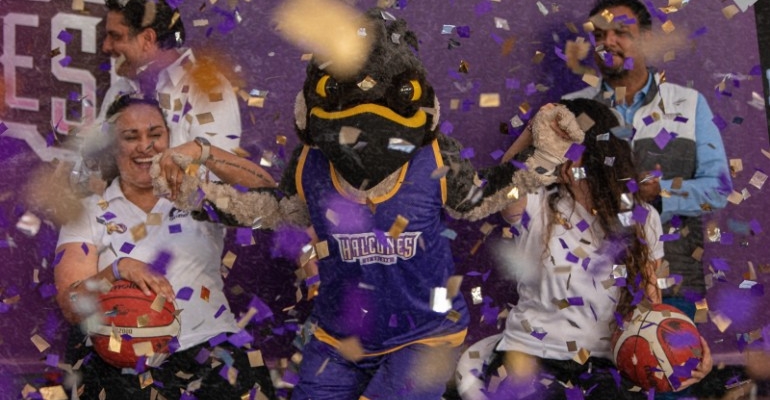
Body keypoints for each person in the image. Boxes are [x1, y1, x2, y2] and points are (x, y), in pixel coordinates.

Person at [54, 95, 276, 399]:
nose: (145, 146)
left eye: (155, 134)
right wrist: (118, 269)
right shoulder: (89, 211)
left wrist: (203, 151)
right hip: (127, 367)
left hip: (214, 353)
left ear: (169, 140)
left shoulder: (198, 195)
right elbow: (71, 305)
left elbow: (269, 195)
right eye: (130, 137)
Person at [492, 99, 712, 398]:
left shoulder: (643, 217)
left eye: (564, 142)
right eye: (551, 142)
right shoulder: (535, 203)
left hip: (606, 368)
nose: (555, 152)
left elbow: (650, 310)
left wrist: (687, 355)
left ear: (596, 152)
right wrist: (535, 127)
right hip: (531, 359)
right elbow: (503, 183)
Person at [563, 0, 732, 320]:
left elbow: (720, 189)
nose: (607, 42)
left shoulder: (689, 104)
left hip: (673, 284)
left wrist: (661, 192)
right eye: (599, 35)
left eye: (620, 32)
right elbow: (555, 192)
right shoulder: (571, 109)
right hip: (591, 287)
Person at [98, 0, 241, 152]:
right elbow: (93, 159)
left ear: (147, 39)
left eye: (116, 36)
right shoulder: (121, 88)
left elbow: (215, 165)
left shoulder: (209, 91)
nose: (106, 46)